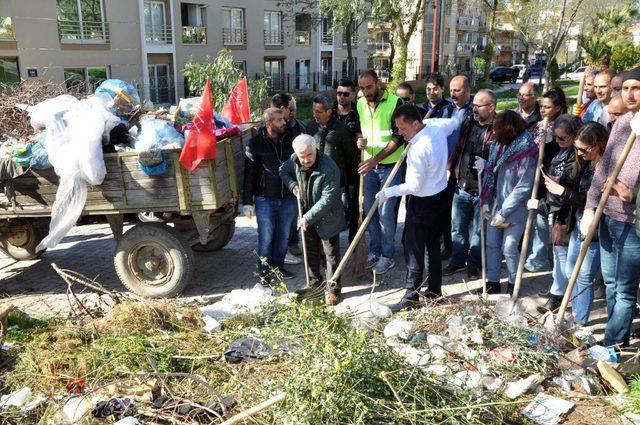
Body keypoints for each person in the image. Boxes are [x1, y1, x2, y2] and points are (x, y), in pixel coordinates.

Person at [583, 66, 640, 348]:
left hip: (632, 225)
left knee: (626, 289)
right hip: (608, 217)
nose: (629, 94)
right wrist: (590, 208)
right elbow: (601, 169)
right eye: (625, 88)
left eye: (636, 88)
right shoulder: (621, 124)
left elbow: (626, 190)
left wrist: (629, 192)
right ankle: (620, 336)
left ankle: (611, 345)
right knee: (611, 284)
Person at [375, 104, 452, 311]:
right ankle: (435, 291)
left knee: (414, 250)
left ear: (416, 124)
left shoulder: (418, 149)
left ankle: (411, 297)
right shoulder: (437, 129)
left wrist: (387, 192)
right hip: (440, 196)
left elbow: (413, 186)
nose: (400, 133)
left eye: (403, 129)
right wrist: (433, 122)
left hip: (423, 202)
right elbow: (453, 123)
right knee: (433, 247)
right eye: (398, 129)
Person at [535, 122, 608, 321]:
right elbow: (573, 186)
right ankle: (575, 309)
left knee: (584, 275)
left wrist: (563, 192)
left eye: (583, 149)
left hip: (595, 227)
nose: (579, 153)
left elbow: (592, 200)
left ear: (599, 144)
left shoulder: (606, 167)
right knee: (570, 270)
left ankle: (579, 319)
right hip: (577, 221)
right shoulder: (584, 162)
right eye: (577, 148)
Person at [280, 134, 346, 306]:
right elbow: (283, 170)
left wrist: (308, 217)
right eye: (302, 156)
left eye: (309, 155)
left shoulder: (329, 168)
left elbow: (328, 198)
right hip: (306, 214)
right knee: (311, 253)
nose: (306, 160)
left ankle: (333, 289)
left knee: (331, 255)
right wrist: (292, 185)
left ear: (315, 149)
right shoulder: (294, 160)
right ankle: (315, 286)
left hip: (328, 217)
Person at [480, 111, 537, 294]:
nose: (494, 133)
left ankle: (514, 281)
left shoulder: (526, 150)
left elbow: (524, 187)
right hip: (494, 203)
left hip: (514, 209)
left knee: (509, 247)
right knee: (492, 245)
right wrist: (486, 201)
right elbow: (491, 170)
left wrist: (503, 212)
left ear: (507, 130)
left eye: (497, 129)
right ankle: (493, 281)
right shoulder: (497, 145)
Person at [530, 114, 583, 313]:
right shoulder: (560, 150)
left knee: (566, 260)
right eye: (556, 137)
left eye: (563, 138)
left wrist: (557, 181)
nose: (559, 141)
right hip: (555, 207)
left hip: (568, 211)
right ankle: (556, 294)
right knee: (558, 255)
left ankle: (566, 298)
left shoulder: (577, 154)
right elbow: (546, 158)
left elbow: (571, 181)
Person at [356, 70, 404, 275]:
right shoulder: (360, 104)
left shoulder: (395, 102)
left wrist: (377, 158)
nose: (366, 92)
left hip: (390, 167)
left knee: (385, 214)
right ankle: (374, 251)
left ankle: (387, 255)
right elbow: (360, 128)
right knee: (370, 211)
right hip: (369, 167)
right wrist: (360, 139)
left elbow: (399, 136)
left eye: (369, 87)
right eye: (362, 88)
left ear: (378, 84)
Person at [444, 89, 496, 278]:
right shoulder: (469, 122)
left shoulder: (498, 129)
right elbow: (459, 147)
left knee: (479, 230)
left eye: (478, 105)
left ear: (491, 107)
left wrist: (489, 165)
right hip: (462, 185)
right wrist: (451, 166)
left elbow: (505, 158)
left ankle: (473, 263)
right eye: (473, 104)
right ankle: (457, 262)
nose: (473, 108)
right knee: (457, 227)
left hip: (483, 189)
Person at [243, 108, 297, 282]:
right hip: (265, 199)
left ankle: (278, 268)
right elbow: (249, 174)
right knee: (266, 238)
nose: (284, 122)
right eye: (280, 120)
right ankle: (265, 273)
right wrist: (247, 202)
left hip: (288, 198)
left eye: (284, 119)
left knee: (284, 237)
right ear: (269, 123)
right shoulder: (255, 144)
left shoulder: (290, 139)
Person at [525, 87, 567, 274]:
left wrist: (548, 140)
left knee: (551, 219)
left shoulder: (563, 126)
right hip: (538, 179)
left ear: (558, 108)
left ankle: (548, 258)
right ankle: (538, 256)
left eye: (547, 107)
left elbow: (559, 152)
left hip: (556, 179)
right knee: (538, 218)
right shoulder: (539, 125)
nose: (542, 110)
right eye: (541, 106)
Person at [333, 79, 361, 242]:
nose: (341, 97)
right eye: (338, 93)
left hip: (353, 168)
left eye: (345, 94)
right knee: (334, 207)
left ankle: (353, 242)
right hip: (334, 168)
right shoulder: (330, 114)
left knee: (353, 207)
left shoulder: (359, 114)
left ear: (352, 95)